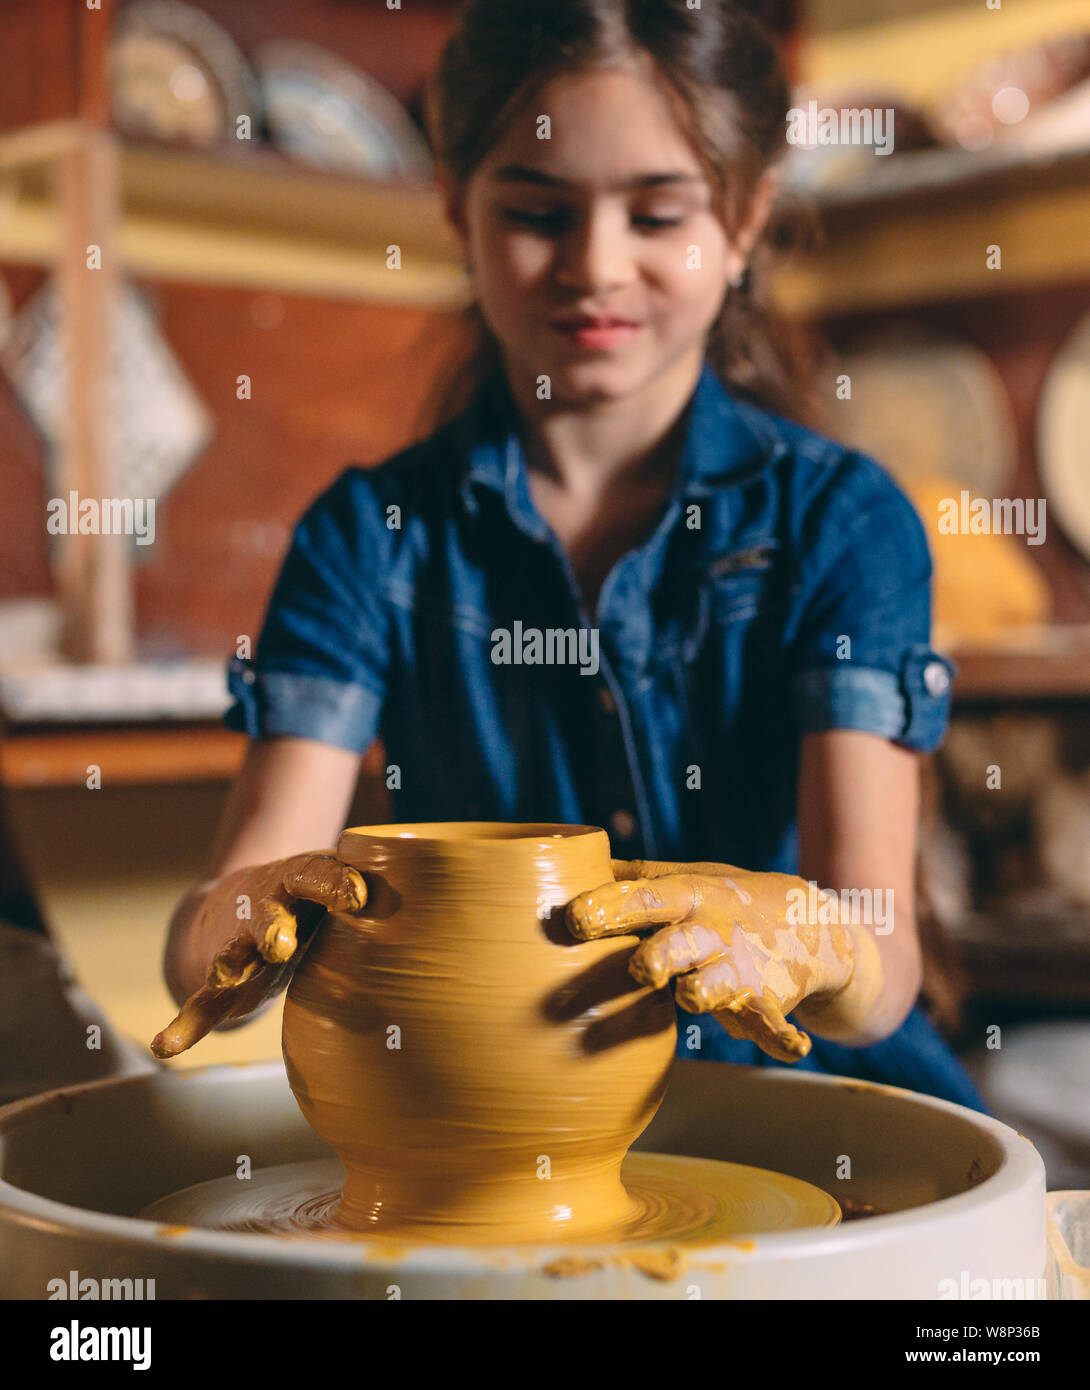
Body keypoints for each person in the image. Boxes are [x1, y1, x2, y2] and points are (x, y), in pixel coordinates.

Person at [154, 0, 985, 1113]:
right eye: (539, 211)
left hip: (819, 1104)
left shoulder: (844, 521)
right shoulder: (368, 535)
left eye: (657, 214)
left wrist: (802, 936)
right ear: (457, 207)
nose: (595, 266)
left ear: (743, 224)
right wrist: (230, 920)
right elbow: (217, 922)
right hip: (498, 1107)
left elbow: (879, 976)